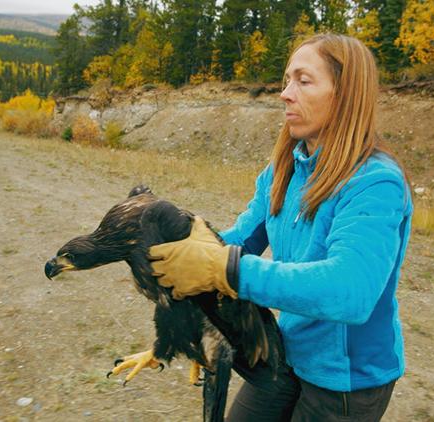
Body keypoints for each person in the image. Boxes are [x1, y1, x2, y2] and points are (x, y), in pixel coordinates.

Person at [149, 33, 413, 421]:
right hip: (287, 351)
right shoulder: (285, 169)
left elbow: (351, 291)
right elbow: (238, 242)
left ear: (345, 94)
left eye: (303, 81)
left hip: (346, 381)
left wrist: (228, 270)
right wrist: (181, 249)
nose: (285, 94)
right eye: (286, 80)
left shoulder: (375, 182)